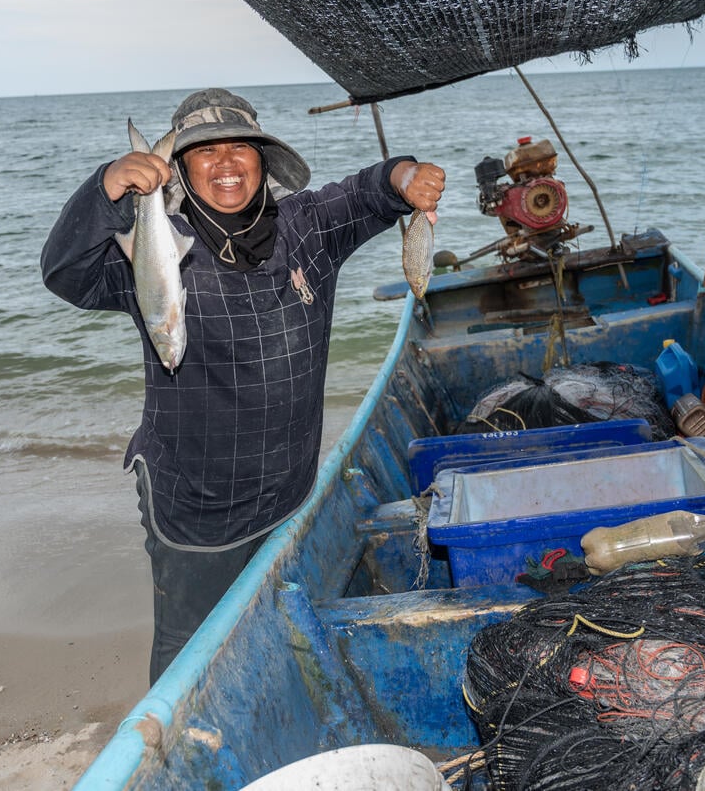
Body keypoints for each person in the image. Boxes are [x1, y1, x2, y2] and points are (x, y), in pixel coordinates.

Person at [41, 88, 444, 683]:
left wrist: (407, 177)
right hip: (195, 509)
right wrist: (104, 189)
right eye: (205, 151)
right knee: (190, 652)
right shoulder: (152, 252)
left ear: (263, 159)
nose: (226, 163)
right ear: (180, 167)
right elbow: (65, 272)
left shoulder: (308, 227)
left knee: (271, 631)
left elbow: (369, 191)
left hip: (289, 492)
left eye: (240, 148)